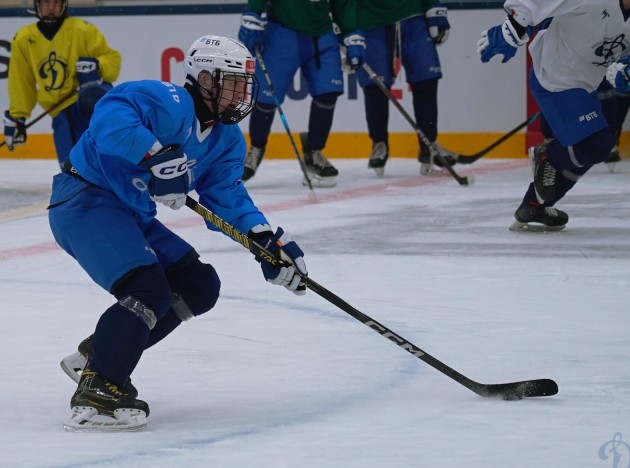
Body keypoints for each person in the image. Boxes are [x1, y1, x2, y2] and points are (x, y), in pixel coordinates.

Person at [49, 35, 308, 432]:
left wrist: (264, 240)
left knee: (197, 284)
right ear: (204, 78)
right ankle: (100, 386)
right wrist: (154, 155)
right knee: (147, 287)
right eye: (233, 83)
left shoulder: (225, 139)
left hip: (129, 212)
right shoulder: (167, 100)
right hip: (85, 200)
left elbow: (226, 193)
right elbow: (107, 116)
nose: (241, 95)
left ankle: (99, 355)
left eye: (244, 86)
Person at [477, 0, 630, 231]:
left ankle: (534, 206)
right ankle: (548, 156)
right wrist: (513, 27)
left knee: (592, 147)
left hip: (587, 84)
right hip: (554, 76)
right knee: (598, 143)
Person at [238, 0, 365, 187]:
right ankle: (256, 147)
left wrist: (350, 32)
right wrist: (254, 13)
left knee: (328, 92)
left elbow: (343, 4)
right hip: (282, 33)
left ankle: (314, 151)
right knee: (266, 98)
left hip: (322, 34)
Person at [3, 0, 120, 169]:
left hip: (85, 103)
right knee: (69, 168)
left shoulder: (82, 29)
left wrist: (97, 65)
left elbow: (112, 61)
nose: (50, 8)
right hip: (59, 110)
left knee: (96, 100)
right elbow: (21, 80)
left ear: (63, 5)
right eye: (46, 3)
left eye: (55, 3)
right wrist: (18, 116)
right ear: (37, 6)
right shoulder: (24, 38)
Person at [355, 0, 456, 177]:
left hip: (412, 15)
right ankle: (379, 144)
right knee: (376, 86)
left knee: (426, 79)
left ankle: (429, 146)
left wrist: (433, 7)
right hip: (370, 19)